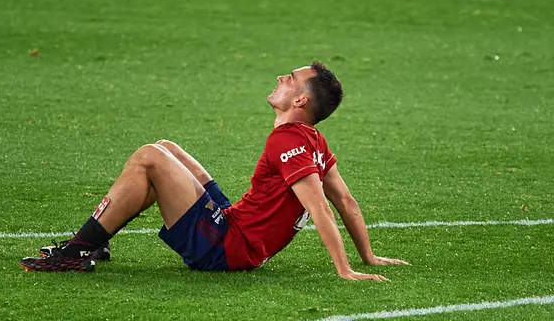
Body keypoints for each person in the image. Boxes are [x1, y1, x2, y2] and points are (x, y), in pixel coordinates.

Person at [22, 61, 409, 280]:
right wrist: (369, 256)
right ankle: (97, 241)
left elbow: (323, 208)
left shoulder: (287, 141)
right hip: (235, 226)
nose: (281, 78)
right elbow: (346, 200)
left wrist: (345, 270)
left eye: (290, 79)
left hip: (227, 248)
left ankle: (77, 251)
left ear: (300, 100)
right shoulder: (314, 140)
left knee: (149, 157)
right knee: (166, 148)